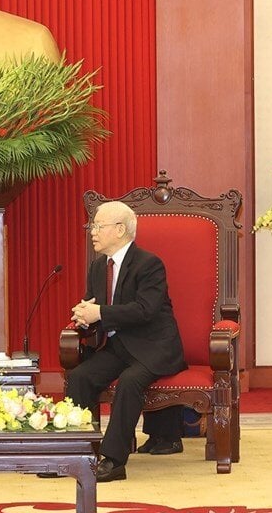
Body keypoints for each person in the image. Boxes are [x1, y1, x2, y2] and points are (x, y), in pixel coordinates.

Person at [65, 201, 187, 482]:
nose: (92, 232)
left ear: (119, 230)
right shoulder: (98, 267)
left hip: (154, 346)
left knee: (129, 383)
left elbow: (146, 309)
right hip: (120, 346)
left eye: (98, 226)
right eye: (92, 226)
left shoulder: (149, 264)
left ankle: (113, 461)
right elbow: (94, 305)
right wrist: (84, 316)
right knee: (80, 376)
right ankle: (75, 453)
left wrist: (100, 313)